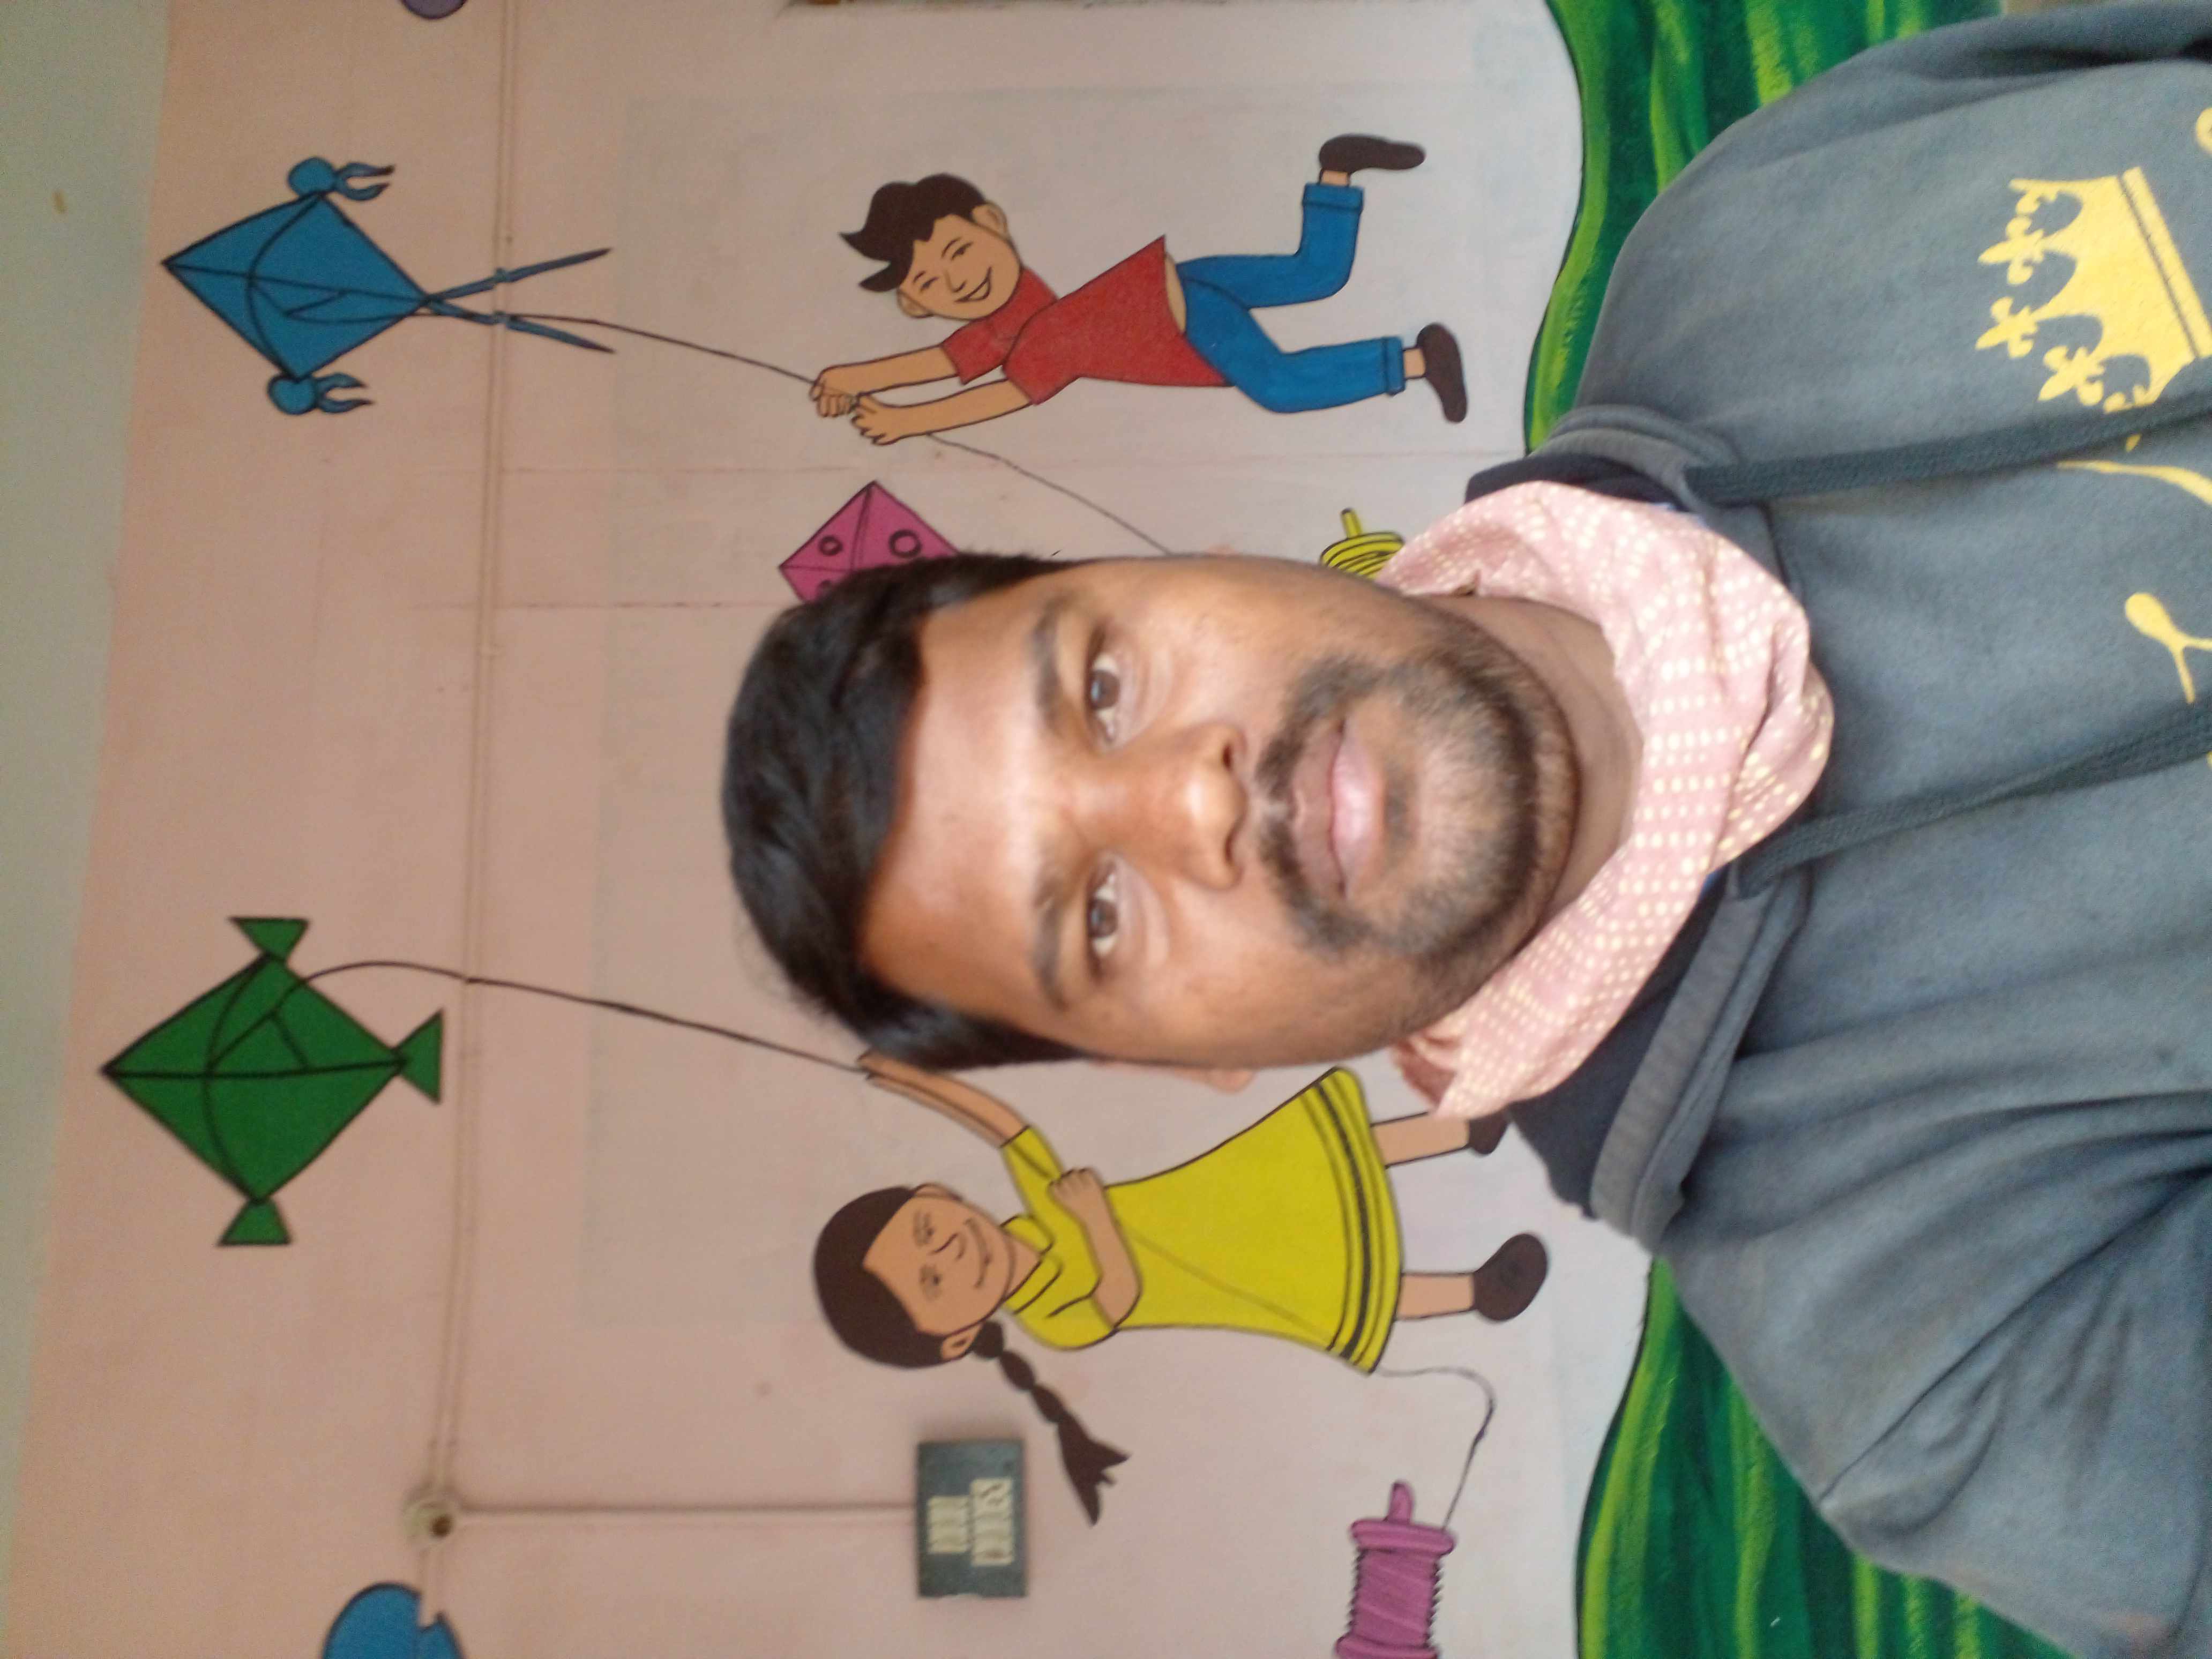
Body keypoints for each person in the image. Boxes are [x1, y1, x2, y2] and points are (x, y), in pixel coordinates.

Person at [726, 8, 2212, 1656]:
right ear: (1210, 1071)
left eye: (1102, 685)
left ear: (1187, 557)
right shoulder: (1936, 1361)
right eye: (1095, 919)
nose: (1192, 799)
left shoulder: (1758, 230)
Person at [817, 1055, 1547, 1520]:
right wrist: (1095, 1220)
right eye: (934, 1281)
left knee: (1325, 1159)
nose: (949, 1250)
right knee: (1342, 1288)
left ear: (935, 1194)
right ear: (955, 1338)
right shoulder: (1048, 1319)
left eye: (926, 1230)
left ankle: (1461, 1132)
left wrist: (916, 1082)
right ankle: (1476, 1293)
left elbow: (1002, 1127)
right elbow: (1119, 1298)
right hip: (1220, 1273)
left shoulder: (1038, 1206)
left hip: (1215, 1200)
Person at [808, 136, 1468, 446]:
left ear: (993, 223)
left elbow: (987, 397)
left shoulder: (1042, 342)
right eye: (931, 282)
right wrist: (849, 378)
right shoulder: (1015, 314)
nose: (959, 279)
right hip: (1182, 278)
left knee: (1281, 385)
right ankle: (1337, 170)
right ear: (915, 304)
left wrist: (907, 421)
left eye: (960, 251)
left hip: (1185, 317)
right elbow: (942, 363)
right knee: (1313, 273)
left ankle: (1417, 360)